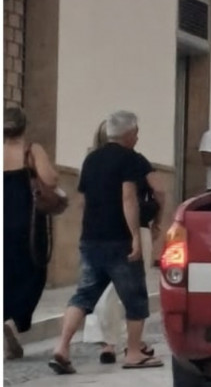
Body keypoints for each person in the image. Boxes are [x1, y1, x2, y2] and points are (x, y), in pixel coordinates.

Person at [49, 111, 163, 374]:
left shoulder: (91, 159)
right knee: (135, 299)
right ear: (128, 134)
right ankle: (134, 353)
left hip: (91, 239)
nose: (138, 136)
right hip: (119, 239)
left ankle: (62, 347)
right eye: (136, 132)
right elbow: (128, 198)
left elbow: (83, 201)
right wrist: (135, 236)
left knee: (84, 295)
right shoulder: (130, 159)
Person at [82, 120, 166, 363]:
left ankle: (109, 344)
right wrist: (158, 219)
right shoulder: (133, 160)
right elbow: (158, 190)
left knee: (100, 291)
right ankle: (132, 346)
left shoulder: (91, 161)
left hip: (96, 234)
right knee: (130, 292)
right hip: (130, 232)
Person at [4, 107, 61, 359]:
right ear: (24, 127)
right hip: (27, 224)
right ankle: (13, 324)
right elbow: (49, 179)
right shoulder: (31, 150)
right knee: (34, 273)